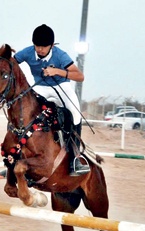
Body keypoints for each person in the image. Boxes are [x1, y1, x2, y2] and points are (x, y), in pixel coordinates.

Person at [13, 24, 89, 176]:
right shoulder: (28, 52)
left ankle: (75, 158)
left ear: (52, 45)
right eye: (37, 46)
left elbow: (80, 76)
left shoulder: (60, 55)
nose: (40, 50)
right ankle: (15, 157)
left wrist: (57, 71)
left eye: (44, 47)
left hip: (62, 87)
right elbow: (11, 63)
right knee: (25, 111)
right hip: (40, 87)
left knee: (75, 113)